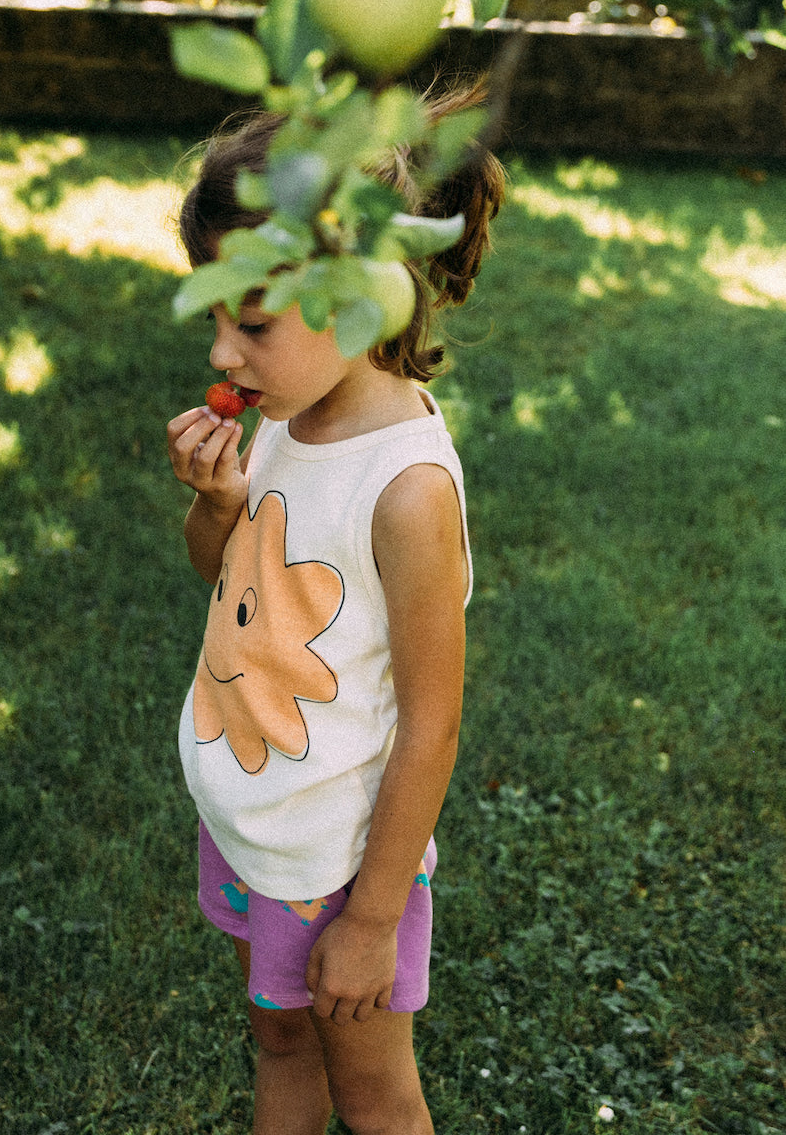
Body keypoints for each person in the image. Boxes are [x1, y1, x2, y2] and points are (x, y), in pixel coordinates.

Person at [167, 81, 505, 1135]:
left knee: (372, 1092)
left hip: (339, 868)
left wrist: (371, 916)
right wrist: (217, 507)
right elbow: (223, 584)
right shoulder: (285, 413)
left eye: (253, 321)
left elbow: (432, 721)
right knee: (278, 1038)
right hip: (252, 823)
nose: (223, 351)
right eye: (216, 311)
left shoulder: (405, 489)